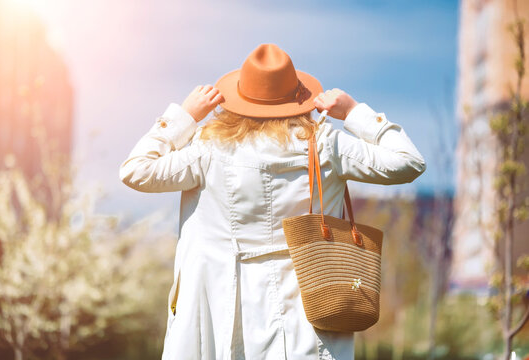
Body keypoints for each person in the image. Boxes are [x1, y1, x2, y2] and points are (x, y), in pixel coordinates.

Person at [119, 43, 426, 360]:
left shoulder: (207, 148)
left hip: (220, 311)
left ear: (237, 98)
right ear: (298, 97)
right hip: (307, 312)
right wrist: (354, 112)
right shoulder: (325, 146)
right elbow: (409, 162)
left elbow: (136, 171)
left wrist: (182, 117)